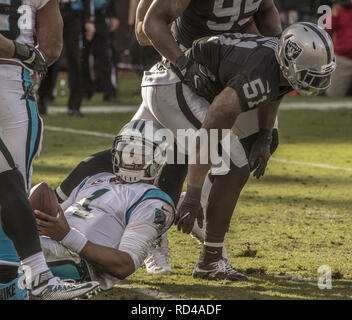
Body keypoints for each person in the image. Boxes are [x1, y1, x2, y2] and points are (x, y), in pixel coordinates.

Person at [54, 0, 283, 278]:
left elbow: (265, 12)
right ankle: (154, 233)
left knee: (264, 137)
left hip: (221, 72)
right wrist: (186, 59)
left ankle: (197, 208)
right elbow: (143, 30)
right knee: (145, 153)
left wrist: (264, 44)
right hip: (178, 70)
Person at [133, 23, 336, 280]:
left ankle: (210, 254)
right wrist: (194, 193)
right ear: (289, 59)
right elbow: (214, 125)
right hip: (172, 85)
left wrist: (264, 134)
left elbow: (276, 90)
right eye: (309, 72)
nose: (314, 79)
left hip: (200, 88)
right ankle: (204, 257)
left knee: (241, 158)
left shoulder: (279, 65)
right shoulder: (260, 71)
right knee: (232, 165)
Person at [0, 0, 100, 300]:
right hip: (17, 86)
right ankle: (35, 276)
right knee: (9, 181)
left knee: (10, 184)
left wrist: (29, 57)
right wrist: (28, 54)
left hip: (17, 85)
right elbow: (51, 48)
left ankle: (20, 274)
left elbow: (53, 44)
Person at [34, 120, 175, 291]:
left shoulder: (152, 201)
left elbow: (125, 264)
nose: (130, 157)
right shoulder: (95, 179)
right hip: (48, 246)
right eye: (126, 150)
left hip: (78, 263)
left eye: (140, 153)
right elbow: (56, 220)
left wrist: (67, 236)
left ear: (157, 159)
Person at [326, 0, 352, 97]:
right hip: (343, 59)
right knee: (333, 94)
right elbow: (326, 29)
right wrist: (334, 15)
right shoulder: (339, 10)